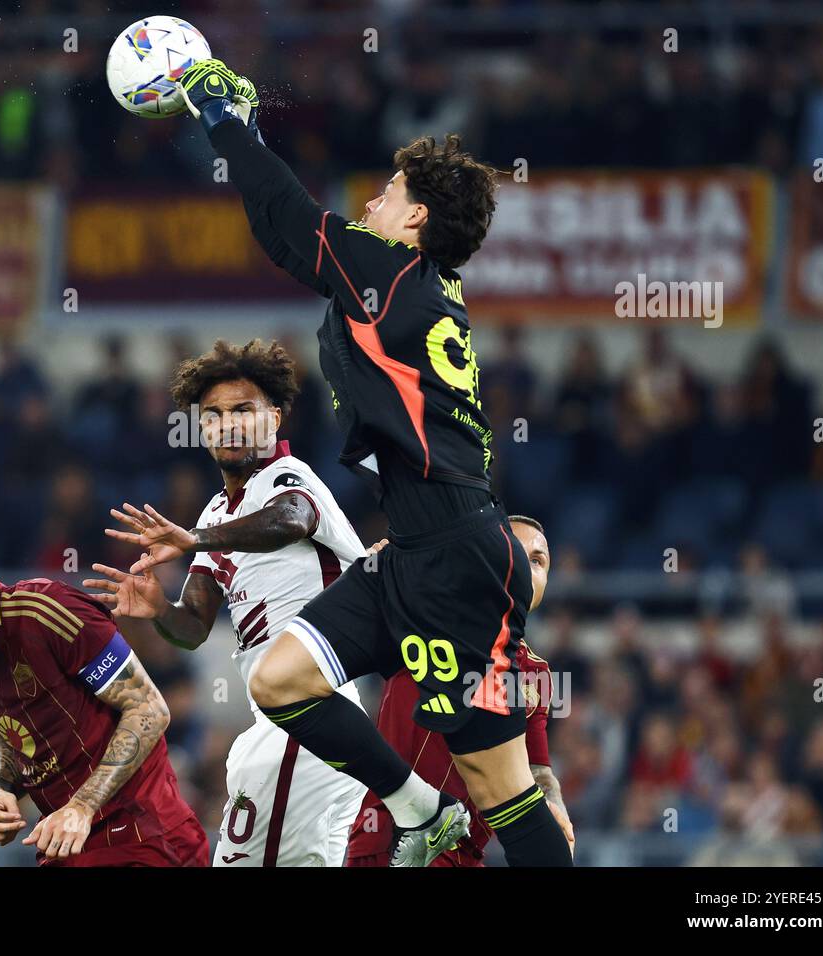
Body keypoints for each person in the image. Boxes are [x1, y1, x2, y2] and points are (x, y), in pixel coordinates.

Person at [159, 59, 572, 865]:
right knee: (277, 683)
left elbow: (288, 223)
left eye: (386, 192)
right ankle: (420, 810)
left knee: (505, 796)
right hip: (414, 554)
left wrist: (221, 120)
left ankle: (441, 814)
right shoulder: (413, 290)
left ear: (415, 218)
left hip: (458, 561)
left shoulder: (395, 275)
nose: (372, 202)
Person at [85, 339, 367, 866]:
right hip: (288, 721)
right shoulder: (217, 513)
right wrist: (158, 609)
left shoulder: (286, 477)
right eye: (212, 415)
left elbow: (290, 521)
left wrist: (194, 541)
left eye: (243, 410)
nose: (227, 424)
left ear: (274, 417)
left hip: (308, 712)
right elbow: (192, 626)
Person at [0, 543, 208, 866]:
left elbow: (148, 709)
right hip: (63, 846)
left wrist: (82, 807)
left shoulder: (48, 613)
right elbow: (12, 737)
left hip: (144, 838)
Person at [346, 517, 575, 865]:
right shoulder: (422, 616)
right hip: (390, 842)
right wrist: (373, 571)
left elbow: (537, 768)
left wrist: (553, 804)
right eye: (514, 549)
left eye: (539, 560)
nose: (528, 567)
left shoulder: (536, 675)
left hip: (465, 856)